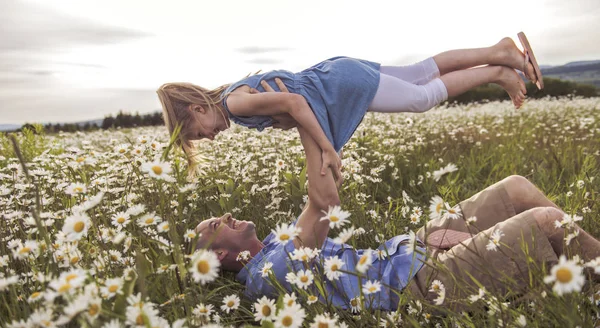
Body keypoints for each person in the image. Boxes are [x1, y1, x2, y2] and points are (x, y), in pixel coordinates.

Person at [193, 93, 600, 311]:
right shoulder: (269, 276)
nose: (226, 216)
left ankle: (587, 277)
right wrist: (301, 112)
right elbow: (324, 204)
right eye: (216, 226)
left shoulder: (277, 244)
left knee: (515, 187)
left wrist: (422, 244)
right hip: (418, 288)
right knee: (547, 221)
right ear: (223, 257)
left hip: (409, 255)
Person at [158, 33, 543, 179]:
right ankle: (499, 52)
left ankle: (497, 71)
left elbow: (294, 101)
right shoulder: (236, 95)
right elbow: (292, 102)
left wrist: (326, 146)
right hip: (337, 72)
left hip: (340, 86)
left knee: (422, 97)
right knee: (419, 72)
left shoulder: (235, 104)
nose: (209, 137)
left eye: (199, 133)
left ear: (197, 110)